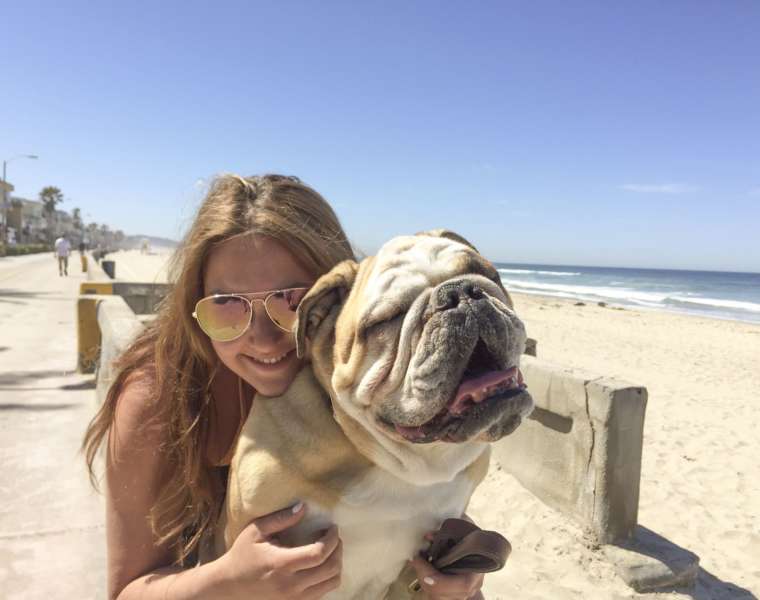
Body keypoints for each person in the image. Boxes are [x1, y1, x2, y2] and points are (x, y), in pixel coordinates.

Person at [82, 174, 486, 600]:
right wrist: (229, 579)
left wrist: (451, 578)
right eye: (226, 307)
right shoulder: (159, 396)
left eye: (291, 301)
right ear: (193, 307)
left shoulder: (374, 390)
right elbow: (125, 592)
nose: (261, 339)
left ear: (338, 298)